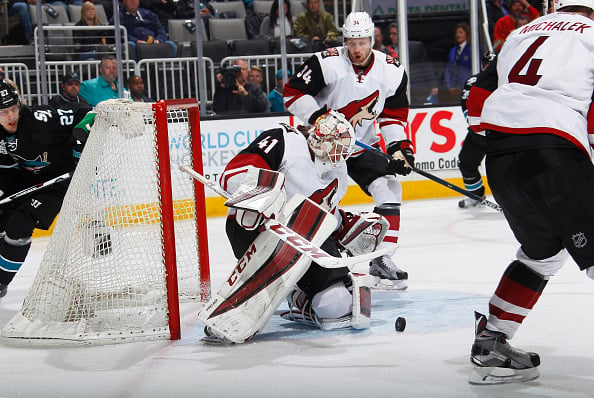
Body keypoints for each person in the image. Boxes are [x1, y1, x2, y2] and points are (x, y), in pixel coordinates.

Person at [465, 0, 594, 384]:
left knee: (542, 253)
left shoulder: (520, 34)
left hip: (502, 157)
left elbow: (476, 102)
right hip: (556, 153)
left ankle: (492, 339)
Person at [204, 111, 388, 342]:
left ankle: (299, 299)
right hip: (260, 231)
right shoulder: (285, 137)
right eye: (333, 142)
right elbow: (236, 172)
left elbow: (324, 218)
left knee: (337, 308)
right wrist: (261, 199)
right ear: (318, 135)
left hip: (304, 239)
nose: (336, 151)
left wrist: (345, 225)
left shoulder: (338, 173)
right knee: (250, 222)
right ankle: (247, 300)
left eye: (340, 146)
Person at [284, 11, 411, 290]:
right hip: (323, 147)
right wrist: (319, 118)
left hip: (360, 145)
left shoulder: (391, 70)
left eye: (362, 43)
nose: (356, 50)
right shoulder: (326, 62)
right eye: (351, 43)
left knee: (389, 188)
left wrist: (399, 149)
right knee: (322, 202)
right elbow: (292, 93)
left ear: (372, 40)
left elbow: (393, 116)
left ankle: (382, 258)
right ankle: (304, 259)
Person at [0, 79, 89, 299]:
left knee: (20, 223)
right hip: (26, 177)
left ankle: (1, 282)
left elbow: (87, 111)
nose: (11, 116)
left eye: (13, 108)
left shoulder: (42, 120)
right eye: (3, 112)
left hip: (60, 180)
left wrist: (84, 132)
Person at [456, 51, 496, 209]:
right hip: (478, 132)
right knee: (465, 163)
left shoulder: (507, 81)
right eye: (486, 65)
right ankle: (476, 196)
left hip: (502, 133)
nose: (488, 69)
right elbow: (466, 107)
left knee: (504, 168)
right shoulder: (473, 82)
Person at [386, 22, 439, 105]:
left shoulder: (416, 46)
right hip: (399, 90)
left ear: (401, 33)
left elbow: (426, 66)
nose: (391, 36)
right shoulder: (388, 50)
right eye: (390, 34)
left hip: (418, 88)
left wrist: (433, 85)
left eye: (394, 34)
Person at [112, 0, 177, 60]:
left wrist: (159, 40)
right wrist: (135, 41)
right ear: (124, 1)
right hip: (135, 44)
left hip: (154, 42)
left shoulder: (148, 14)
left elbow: (160, 28)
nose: (133, 1)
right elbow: (119, 33)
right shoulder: (118, 17)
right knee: (129, 45)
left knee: (171, 44)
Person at [443, 22, 473, 101]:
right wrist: (450, 86)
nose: (458, 35)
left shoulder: (473, 49)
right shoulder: (453, 50)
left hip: (467, 87)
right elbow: (449, 70)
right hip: (454, 89)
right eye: (456, 33)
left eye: (460, 32)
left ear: (467, 33)